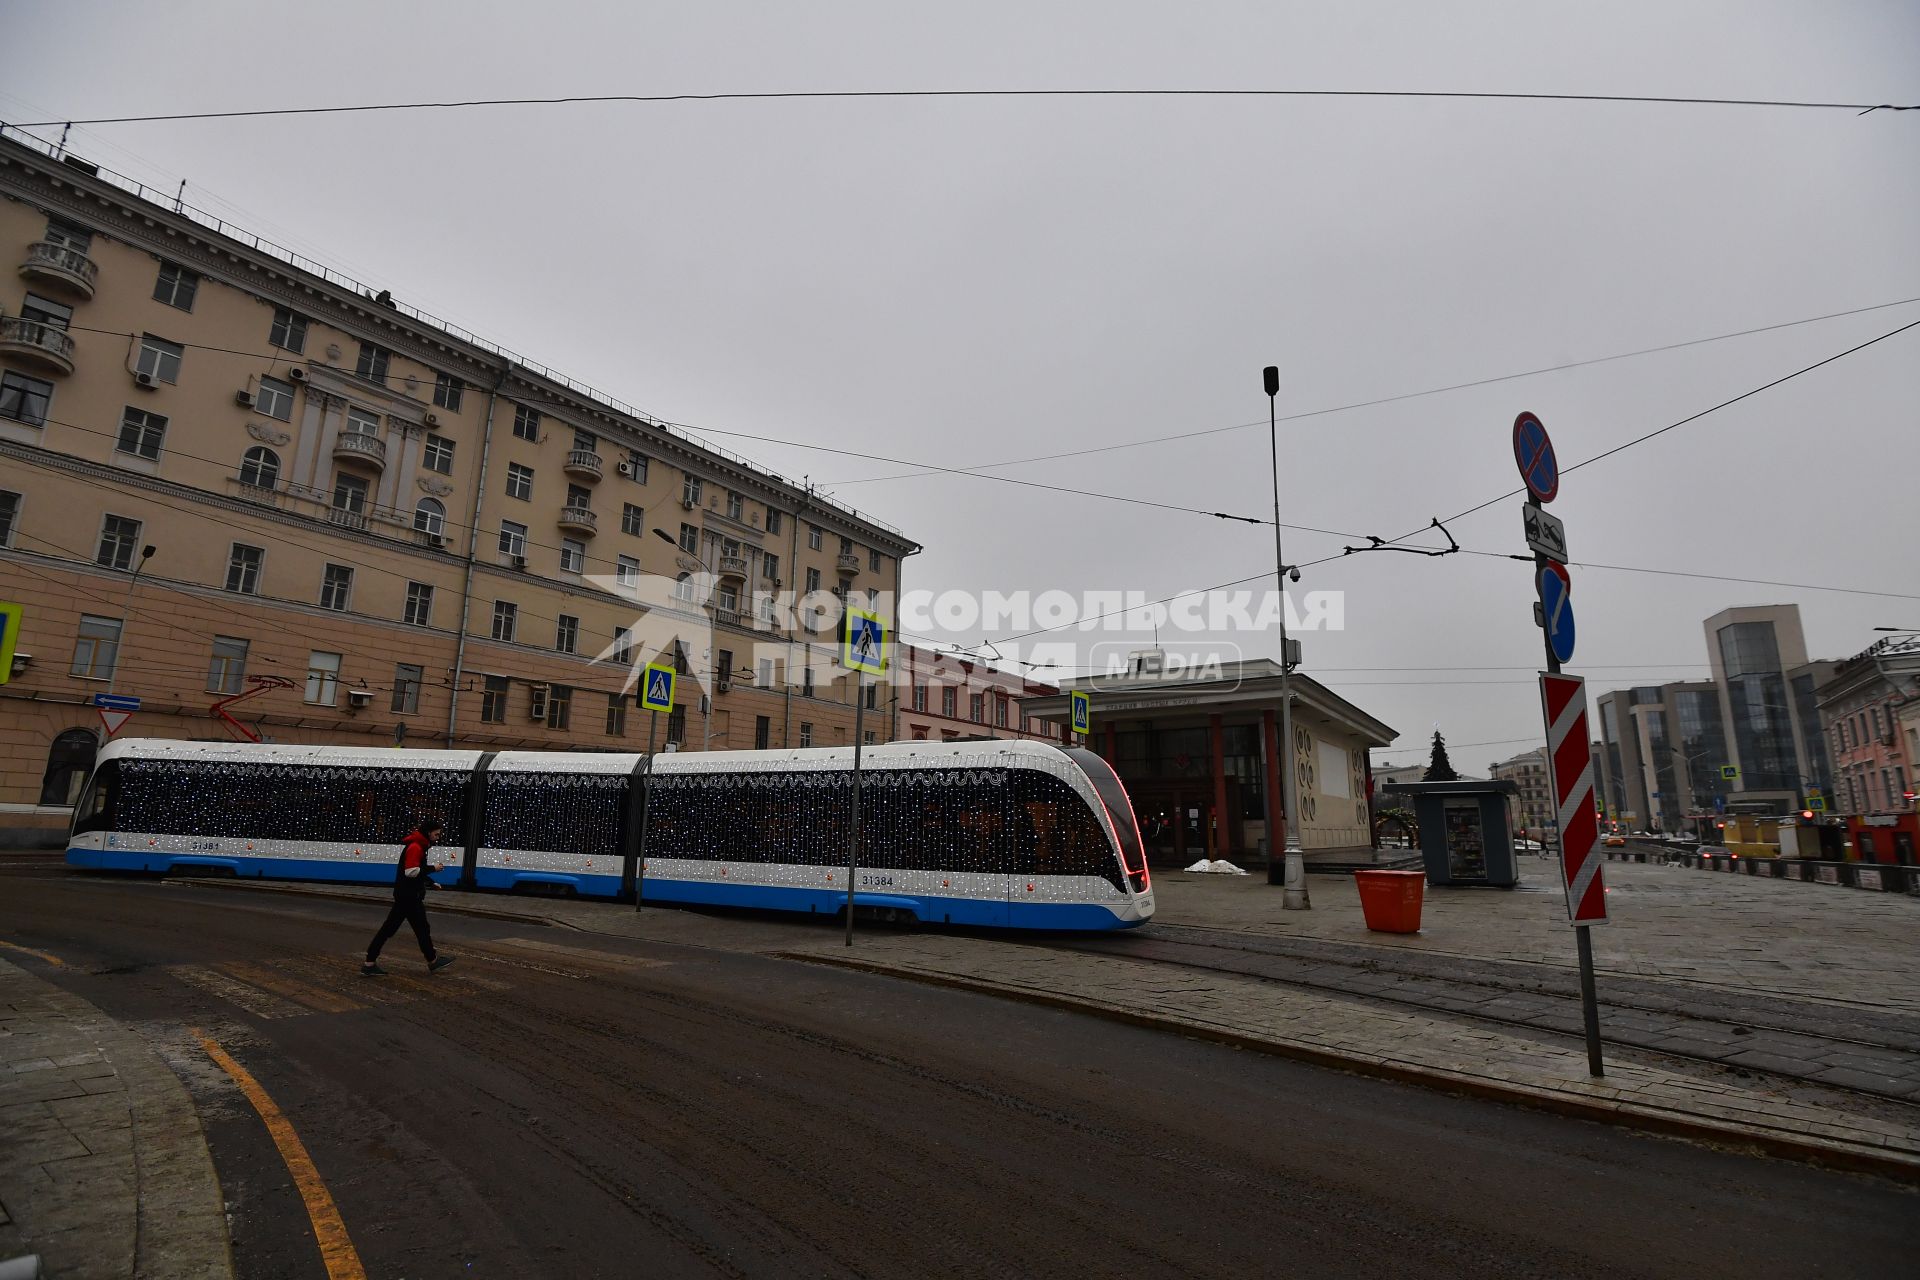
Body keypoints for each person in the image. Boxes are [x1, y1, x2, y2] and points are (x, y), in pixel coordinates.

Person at [362, 818, 456, 976]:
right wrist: (433, 868)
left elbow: (416, 871)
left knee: (410, 929)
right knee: (415, 929)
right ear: (428, 832)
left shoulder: (419, 845)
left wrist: (430, 883)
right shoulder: (416, 847)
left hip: (407, 896)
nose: (438, 837)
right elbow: (411, 872)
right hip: (409, 897)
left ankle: (370, 962)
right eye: (436, 834)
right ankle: (432, 961)